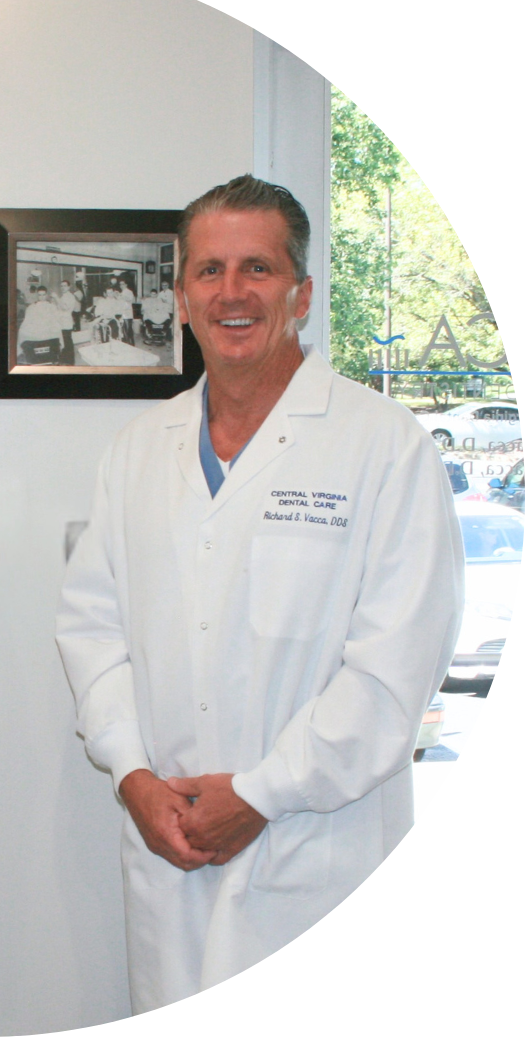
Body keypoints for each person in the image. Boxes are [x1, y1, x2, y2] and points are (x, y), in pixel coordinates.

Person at [56, 175, 463, 1011]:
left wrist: (261, 793)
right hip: (170, 850)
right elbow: (93, 630)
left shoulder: (383, 446)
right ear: (181, 297)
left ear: (302, 293)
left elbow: (394, 669)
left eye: (258, 269)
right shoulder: (137, 450)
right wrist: (132, 773)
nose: (232, 292)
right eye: (209, 271)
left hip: (318, 855)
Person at [18, 285, 66, 363]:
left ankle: (52, 356)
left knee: (56, 330)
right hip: (37, 329)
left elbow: (55, 319)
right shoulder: (31, 307)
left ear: (46, 295)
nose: (42, 297)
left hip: (48, 329)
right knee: (22, 331)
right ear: (37, 295)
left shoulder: (51, 306)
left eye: (43, 295)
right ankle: (31, 356)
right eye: (40, 295)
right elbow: (28, 321)